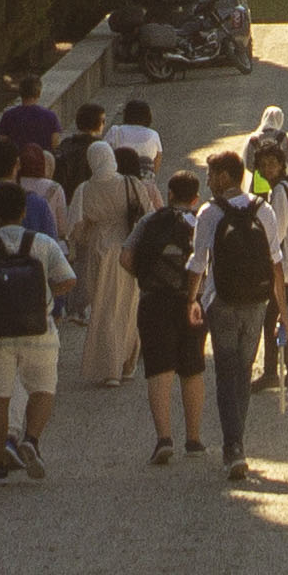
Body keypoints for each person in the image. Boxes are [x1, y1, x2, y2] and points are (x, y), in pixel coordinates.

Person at [196, 149, 288, 478]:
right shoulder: (262, 209)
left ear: (223, 177)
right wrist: (283, 314)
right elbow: (276, 262)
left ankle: (232, 446)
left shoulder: (209, 212)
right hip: (257, 303)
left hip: (221, 301)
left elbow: (197, 264)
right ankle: (238, 442)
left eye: (210, 176)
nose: (207, 182)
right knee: (244, 372)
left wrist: (189, 303)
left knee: (225, 372)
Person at [0, 183, 69, 479]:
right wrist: (45, 298)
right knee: (43, 388)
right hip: (38, 329)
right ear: (24, 212)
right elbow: (68, 279)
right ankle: (32, 439)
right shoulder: (42, 244)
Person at [129, 169, 212, 464]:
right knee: (192, 368)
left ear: (170, 194)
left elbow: (126, 258)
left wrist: (147, 277)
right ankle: (194, 438)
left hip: (154, 302)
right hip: (192, 301)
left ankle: (164, 438)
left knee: (159, 370)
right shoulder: (201, 223)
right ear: (196, 198)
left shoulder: (150, 221)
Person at [68, 140, 145, 387]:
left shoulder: (84, 190)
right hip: (128, 249)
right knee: (128, 305)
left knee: (104, 310)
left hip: (98, 251)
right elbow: (149, 214)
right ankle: (128, 363)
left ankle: (109, 367)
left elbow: (76, 231)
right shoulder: (131, 183)